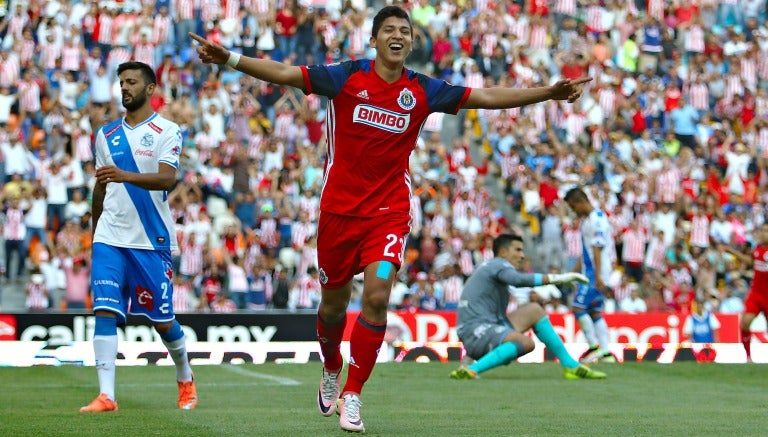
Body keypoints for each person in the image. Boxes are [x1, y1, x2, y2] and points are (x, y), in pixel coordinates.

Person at [191, 6, 590, 433]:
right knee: (332, 306)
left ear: (412, 42)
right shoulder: (346, 76)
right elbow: (286, 73)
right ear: (375, 38)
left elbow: (485, 97)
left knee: (378, 296)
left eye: (405, 31)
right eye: (390, 30)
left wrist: (547, 93)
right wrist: (230, 58)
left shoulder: (422, 90)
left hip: (389, 212)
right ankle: (331, 366)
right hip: (338, 213)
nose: (398, 36)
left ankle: (353, 394)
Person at [81, 62, 197, 413]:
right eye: (121, 83)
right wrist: (94, 228)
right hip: (109, 236)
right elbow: (101, 185)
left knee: (162, 321)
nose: (124, 88)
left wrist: (123, 175)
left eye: (131, 82)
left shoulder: (167, 130)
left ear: (150, 89)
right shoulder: (106, 135)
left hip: (150, 239)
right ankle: (107, 396)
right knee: (103, 309)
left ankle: (185, 377)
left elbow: (166, 180)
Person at [450, 234, 606, 380]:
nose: (522, 255)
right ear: (503, 252)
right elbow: (517, 280)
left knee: (534, 310)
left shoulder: (492, 267)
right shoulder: (499, 264)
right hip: (476, 330)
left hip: (484, 327)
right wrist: (558, 278)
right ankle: (472, 370)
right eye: (517, 250)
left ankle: (570, 365)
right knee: (526, 343)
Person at [564, 187, 616, 364]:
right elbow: (586, 251)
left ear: (580, 202)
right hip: (591, 271)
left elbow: (597, 248)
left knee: (578, 307)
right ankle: (606, 353)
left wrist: (599, 277)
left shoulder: (597, 220)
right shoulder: (588, 221)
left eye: (573, 207)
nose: (573, 211)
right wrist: (573, 272)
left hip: (595, 274)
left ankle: (594, 348)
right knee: (594, 311)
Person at [725, 223, 768, 362]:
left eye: (766, 231)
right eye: (762, 230)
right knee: (745, 323)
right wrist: (733, 252)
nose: (762, 233)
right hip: (756, 294)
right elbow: (751, 261)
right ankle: (748, 357)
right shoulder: (758, 248)